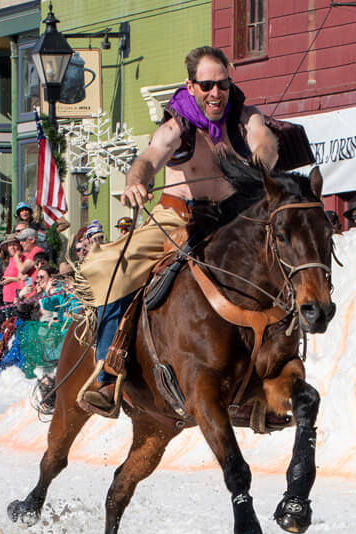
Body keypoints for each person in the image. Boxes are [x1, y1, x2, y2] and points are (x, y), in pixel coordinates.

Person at [78, 45, 281, 415]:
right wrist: (137, 182)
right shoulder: (177, 126)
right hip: (178, 220)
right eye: (207, 85)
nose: (216, 93)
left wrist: (261, 164)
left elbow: (264, 141)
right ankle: (109, 373)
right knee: (112, 270)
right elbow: (147, 160)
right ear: (191, 86)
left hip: (234, 220)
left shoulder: (245, 117)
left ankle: (275, 375)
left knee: (285, 265)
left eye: (222, 84)